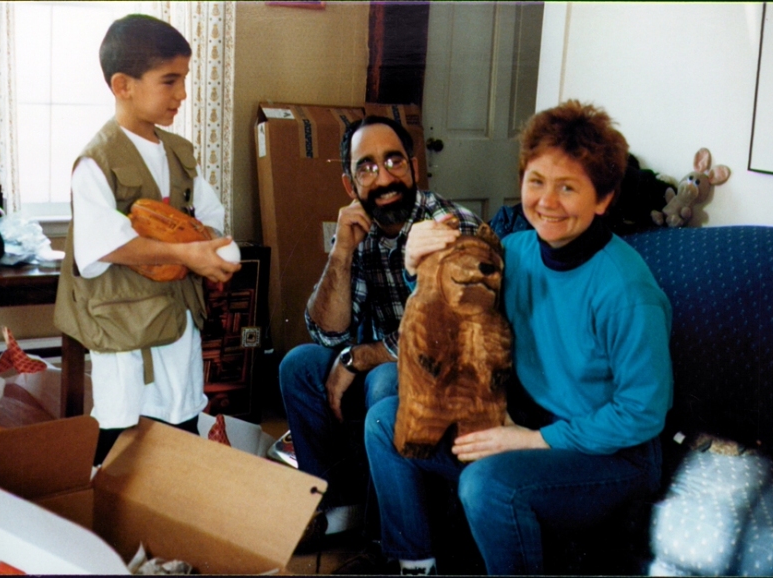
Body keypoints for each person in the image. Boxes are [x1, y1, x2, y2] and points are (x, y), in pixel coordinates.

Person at [363, 100, 674, 575]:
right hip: (531, 419)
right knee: (387, 421)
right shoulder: (517, 251)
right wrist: (414, 268)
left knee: (487, 484)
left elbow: (642, 412)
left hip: (615, 455)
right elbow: (455, 310)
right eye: (536, 182)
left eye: (568, 187)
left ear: (604, 198)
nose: (546, 202)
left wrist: (531, 440)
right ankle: (415, 564)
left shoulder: (626, 289)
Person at [279, 115, 482, 541]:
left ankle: (384, 530)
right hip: (386, 358)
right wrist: (342, 252)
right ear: (350, 185)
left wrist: (359, 358)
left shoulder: (447, 225)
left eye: (394, 162)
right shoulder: (359, 227)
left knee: (385, 380)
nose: (385, 177)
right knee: (299, 365)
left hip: (447, 375)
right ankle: (333, 507)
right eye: (367, 168)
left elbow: (441, 331)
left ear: (413, 167)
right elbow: (327, 334)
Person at [54, 14, 240, 467]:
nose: (182, 94)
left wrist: (208, 245)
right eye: (169, 81)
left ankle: (163, 527)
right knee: (123, 435)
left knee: (178, 423)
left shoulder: (179, 152)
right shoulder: (97, 162)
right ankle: (112, 530)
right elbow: (106, 244)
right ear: (123, 85)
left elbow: (211, 219)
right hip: (125, 332)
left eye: (184, 80)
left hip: (177, 323)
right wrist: (186, 254)